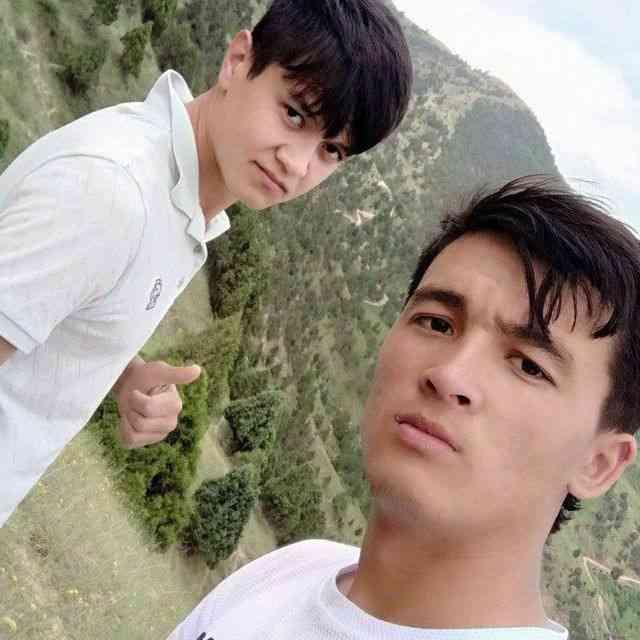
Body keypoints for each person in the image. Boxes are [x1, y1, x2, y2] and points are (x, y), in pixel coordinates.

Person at [167, 176, 639, 639]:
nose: (449, 374)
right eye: (436, 323)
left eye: (529, 366)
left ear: (597, 464)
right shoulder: (290, 571)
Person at [0, 0, 412, 527]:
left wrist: (120, 370)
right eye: (294, 113)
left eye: (331, 149)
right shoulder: (116, 194)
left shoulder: (179, 203)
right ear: (237, 61)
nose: (297, 163)